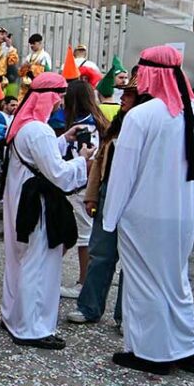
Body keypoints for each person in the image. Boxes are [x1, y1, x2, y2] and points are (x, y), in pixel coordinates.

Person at [103, 45, 194, 375]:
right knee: (176, 280)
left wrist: (110, 218)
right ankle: (186, 349)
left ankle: (150, 353)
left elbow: (123, 174)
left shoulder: (141, 116)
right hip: (182, 212)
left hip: (144, 214)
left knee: (143, 283)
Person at [0, 73, 94, 350]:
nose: (59, 104)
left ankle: (12, 315)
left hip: (20, 201)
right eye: (59, 97)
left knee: (19, 260)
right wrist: (82, 160)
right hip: (36, 203)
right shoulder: (38, 130)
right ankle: (32, 328)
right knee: (39, 264)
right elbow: (59, 174)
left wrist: (63, 138)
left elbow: (37, 155)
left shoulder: (24, 127)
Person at [66, 70, 140, 326]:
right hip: (109, 192)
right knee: (101, 252)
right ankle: (89, 307)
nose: (123, 98)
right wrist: (92, 195)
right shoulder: (118, 123)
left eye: (129, 94)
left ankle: (124, 315)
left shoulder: (145, 124)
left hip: (136, 197)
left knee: (132, 259)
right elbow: (100, 161)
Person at [59, 80, 110, 299]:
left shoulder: (85, 126)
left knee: (81, 236)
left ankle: (83, 283)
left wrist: (74, 167)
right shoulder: (95, 122)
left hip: (79, 187)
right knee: (76, 234)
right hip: (83, 185)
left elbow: (88, 157)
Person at [19, 34, 52, 98]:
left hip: (39, 85)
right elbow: (22, 72)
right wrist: (23, 67)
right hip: (26, 85)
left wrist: (31, 67)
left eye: (33, 43)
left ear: (40, 43)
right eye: (30, 44)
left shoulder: (45, 56)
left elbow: (47, 71)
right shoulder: (29, 56)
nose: (31, 45)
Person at [97, 56, 128, 121]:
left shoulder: (128, 92)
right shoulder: (105, 89)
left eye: (126, 78)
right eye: (121, 77)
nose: (124, 80)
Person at [0, 27, 18, 91]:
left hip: (1, 80)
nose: (4, 36)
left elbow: (13, 61)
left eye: (5, 34)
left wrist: (10, 46)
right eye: (1, 34)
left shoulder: (6, 48)